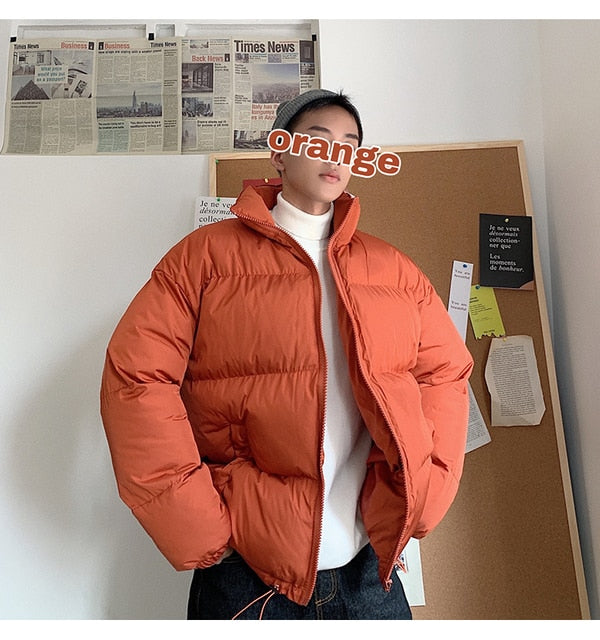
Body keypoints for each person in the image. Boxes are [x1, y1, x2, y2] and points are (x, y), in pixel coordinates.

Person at [100, 89, 473, 620]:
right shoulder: (204, 259)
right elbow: (136, 379)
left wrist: (425, 493)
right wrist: (197, 527)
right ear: (278, 152)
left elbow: (446, 374)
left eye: (350, 144)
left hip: (369, 572)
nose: (335, 155)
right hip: (247, 575)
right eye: (318, 140)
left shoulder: (393, 270)